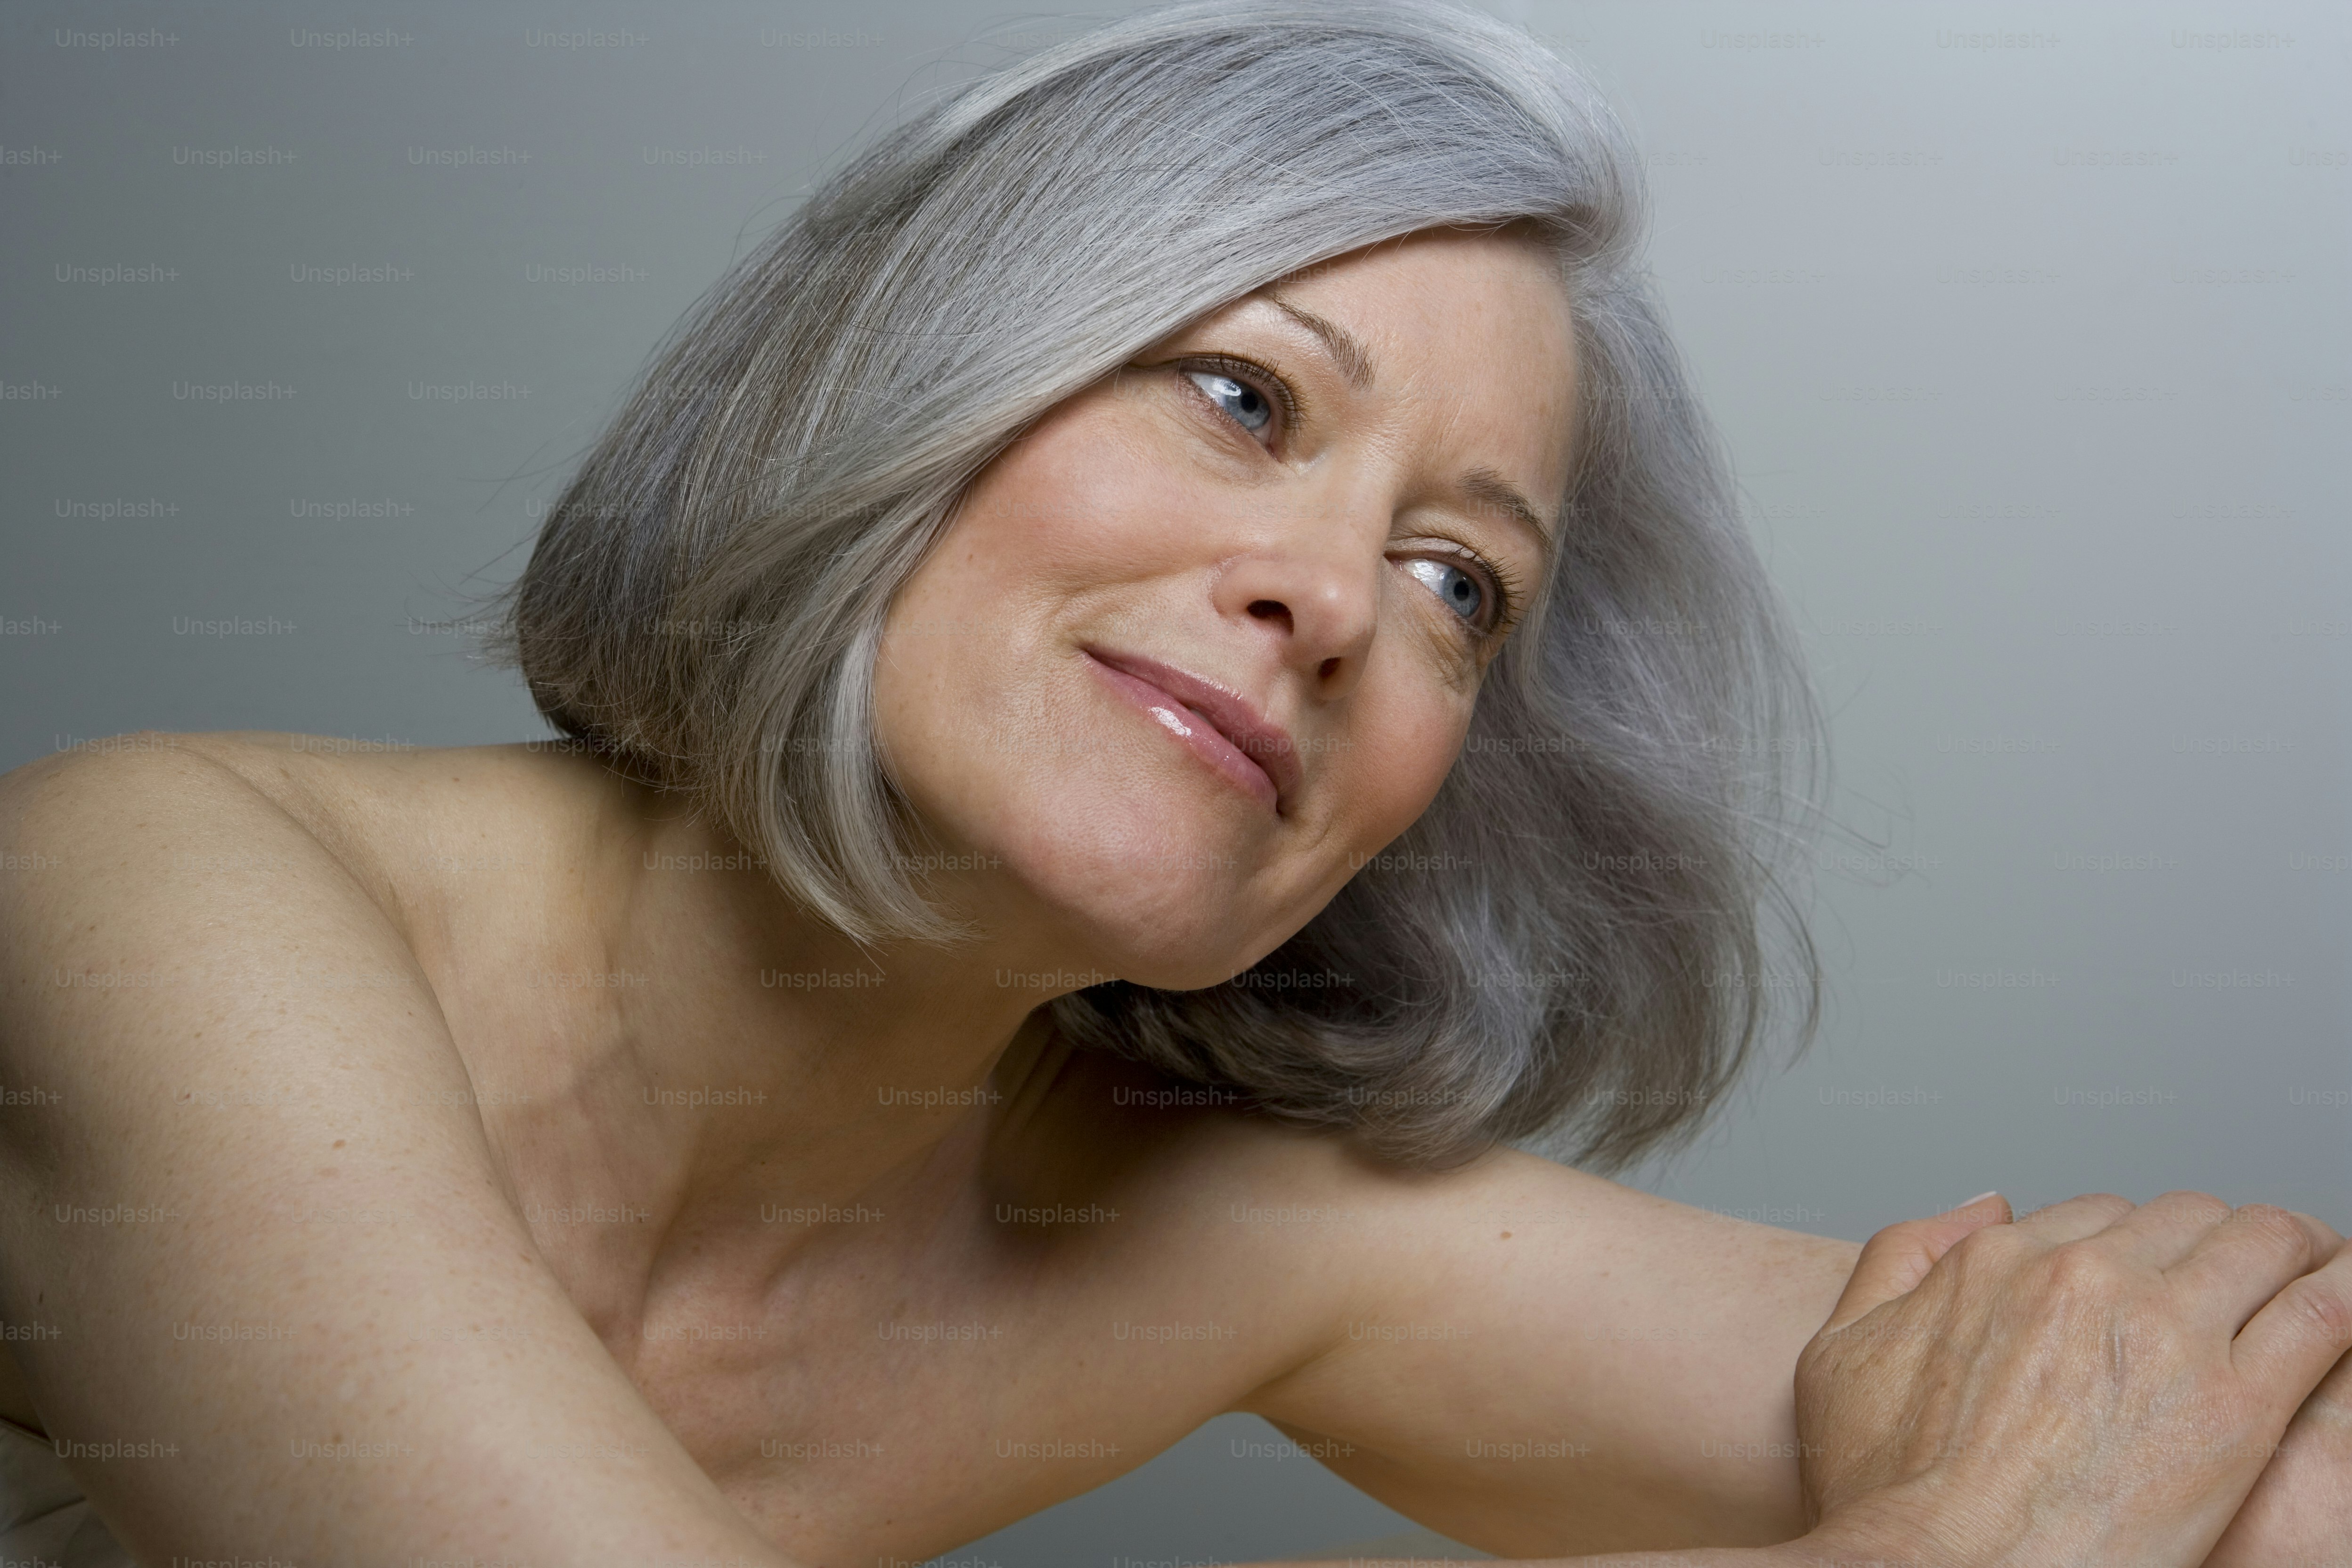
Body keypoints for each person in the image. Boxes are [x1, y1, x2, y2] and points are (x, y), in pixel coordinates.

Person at [0, 4, 2346, 1565]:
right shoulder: (151, 894)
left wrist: (2118, 1427)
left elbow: (2220, 1449)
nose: (1339, 594)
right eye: (1243, 398)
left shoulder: (1222, 1240)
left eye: (1460, 583)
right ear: (903, 381)